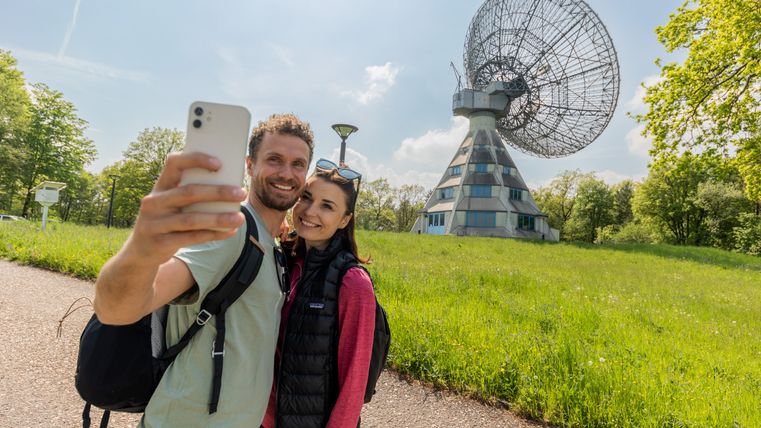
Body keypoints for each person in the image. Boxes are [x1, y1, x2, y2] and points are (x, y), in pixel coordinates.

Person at [93, 113, 314, 427]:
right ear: (250, 166)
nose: (286, 173)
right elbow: (118, 309)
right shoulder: (228, 230)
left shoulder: (272, 244)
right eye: (274, 159)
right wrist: (140, 250)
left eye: (298, 164)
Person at [261, 159, 377, 428]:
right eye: (306, 197)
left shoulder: (353, 283)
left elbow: (354, 379)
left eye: (327, 206)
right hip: (262, 418)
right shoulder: (282, 261)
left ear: (344, 220)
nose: (310, 211)